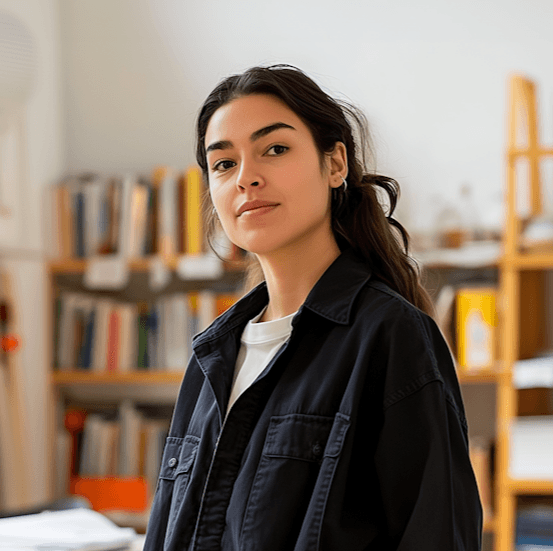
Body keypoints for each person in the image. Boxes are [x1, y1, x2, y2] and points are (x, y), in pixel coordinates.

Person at [143, 64, 483, 551]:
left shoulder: (391, 335)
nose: (247, 178)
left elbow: (437, 533)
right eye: (224, 164)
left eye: (275, 149)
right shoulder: (210, 355)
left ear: (335, 164)